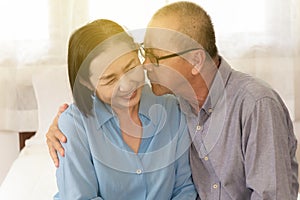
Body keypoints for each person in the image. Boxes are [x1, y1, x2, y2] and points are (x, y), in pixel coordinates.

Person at [47, 1, 299, 199]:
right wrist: (63, 123)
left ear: (195, 61)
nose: (144, 67)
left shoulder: (250, 104)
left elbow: (186, 189)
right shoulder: (181, 102)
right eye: (144, 53)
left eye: (153, 57)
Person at [52, 18, 197, 200]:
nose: (128, 85)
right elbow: (81, 197)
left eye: (131, 67)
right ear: (85, 82)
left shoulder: (172, 109)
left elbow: (183, 188)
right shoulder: (75, 126)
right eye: (110, 80)